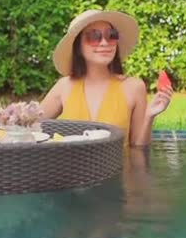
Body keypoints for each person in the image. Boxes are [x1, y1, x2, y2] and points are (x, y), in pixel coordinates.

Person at [38, 9, 173, 146]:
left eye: (111, 35)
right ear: (78, 45)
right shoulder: (65, 86)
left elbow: (138, 147)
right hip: (73, 166)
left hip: (118, 167)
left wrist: (149, 115)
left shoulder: (134, 87)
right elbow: (29, 126)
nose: (104, 43)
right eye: (94, 36)